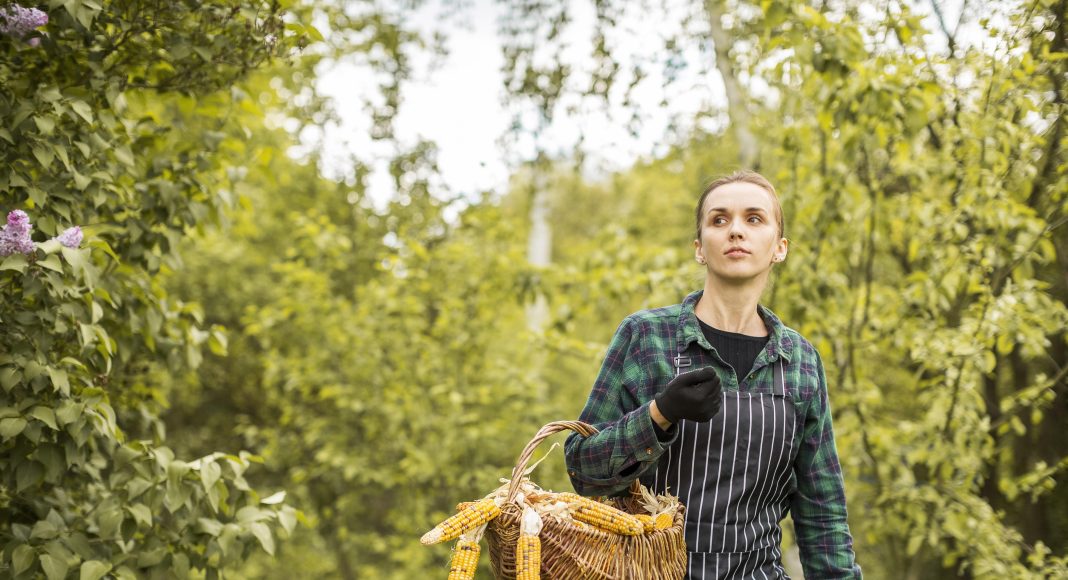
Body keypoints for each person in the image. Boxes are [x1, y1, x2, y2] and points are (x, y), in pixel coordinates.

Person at [564, 170, 862, 579]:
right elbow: (583, 471)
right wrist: (659, 414)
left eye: (754, 219)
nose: (735, 230)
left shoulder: (800, 360)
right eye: (719, 220)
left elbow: (823, 514)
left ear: (779, 248)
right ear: (700, 248)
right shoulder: (647, 338)